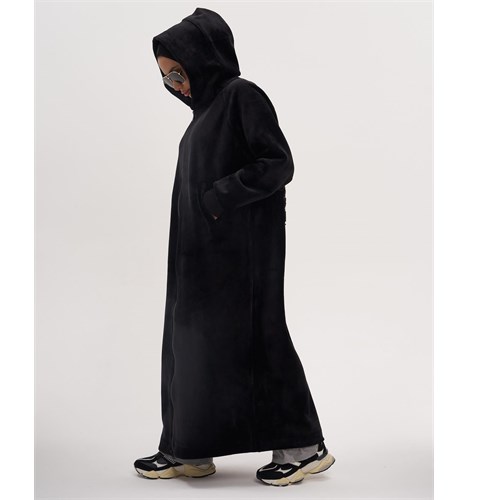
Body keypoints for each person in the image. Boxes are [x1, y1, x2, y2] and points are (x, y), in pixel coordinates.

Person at [133, 7, 336, 487]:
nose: (176, 85)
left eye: (179, 72)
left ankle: (304, 447)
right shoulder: (202, 118)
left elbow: (277, 162)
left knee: (261, 340)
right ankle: (188, 448)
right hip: (200, 260)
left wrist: (217, 200)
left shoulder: (241, 96)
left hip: (243, 257)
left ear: (204, 59)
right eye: (166, 78)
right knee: (190, 346)